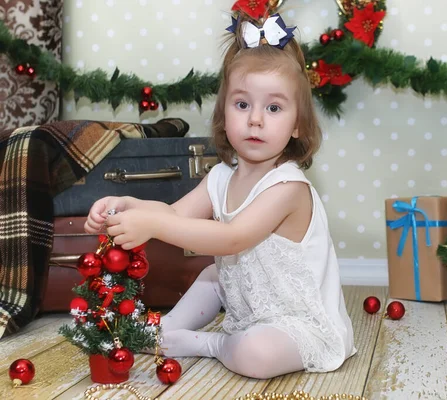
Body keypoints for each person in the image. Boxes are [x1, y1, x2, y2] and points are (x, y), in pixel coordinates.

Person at [84, 12, 355, 380]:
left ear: (297, 125)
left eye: (273, 108)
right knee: (214, 275)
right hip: (249, 304)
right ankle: (166, 329)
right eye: (242, 105)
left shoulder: (288, 187)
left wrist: (154, 223)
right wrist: (128, 206)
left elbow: (232, 238)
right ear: (224, 114)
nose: (255, 119)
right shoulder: (221, 177)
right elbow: (175, 215)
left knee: (254, 354)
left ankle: (208, 344)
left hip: (297, 322)